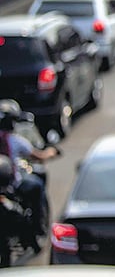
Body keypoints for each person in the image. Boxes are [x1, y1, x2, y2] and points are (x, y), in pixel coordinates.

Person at [0, 99, 59, 235]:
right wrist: (51, 152)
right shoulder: (15, 140)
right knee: (38, 186)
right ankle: (39, 226)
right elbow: (39, 156)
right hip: (14, 185)